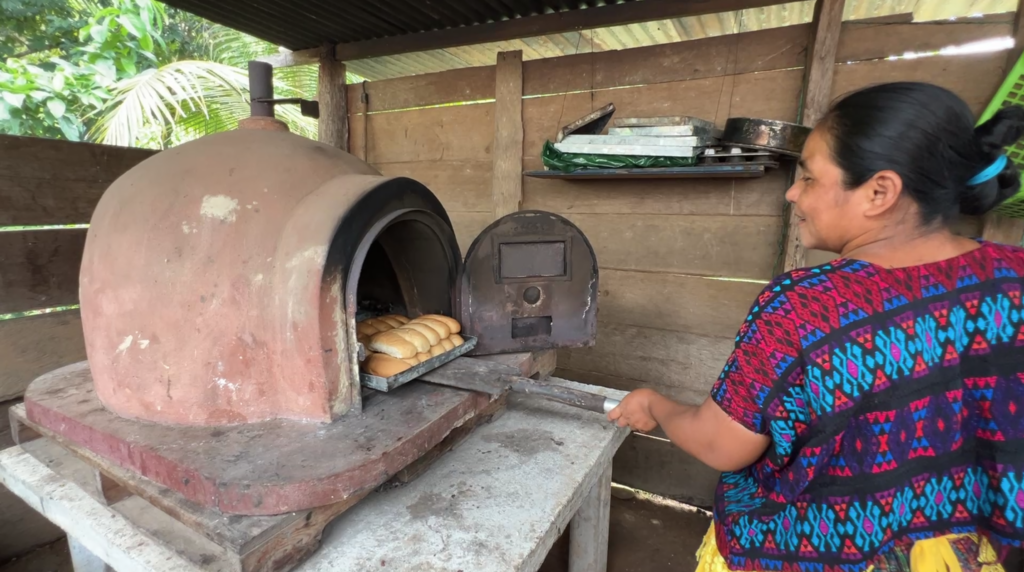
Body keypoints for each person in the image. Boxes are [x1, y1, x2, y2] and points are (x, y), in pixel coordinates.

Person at [608, 82, 1024, 571]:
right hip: (965, 556)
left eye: (808, 177)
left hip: (813, 554)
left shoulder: (807, 304)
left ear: (879, 191)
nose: (792, 192)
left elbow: (722, 445)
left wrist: (653, 403)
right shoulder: (1013, 276)